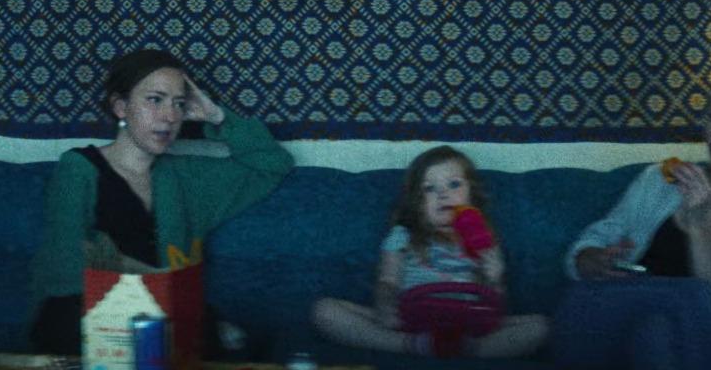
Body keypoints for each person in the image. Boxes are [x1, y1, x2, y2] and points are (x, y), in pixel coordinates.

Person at [27, 48, 293, 354]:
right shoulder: (78, 168)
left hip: (167, 322)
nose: (170, 117)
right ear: (121, 106)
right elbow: (63, 271)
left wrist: (216, 117)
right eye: (155, 100)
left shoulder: (186, 178)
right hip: (89, 315)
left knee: (220, 334)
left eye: (179, 104)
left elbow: (272, 163)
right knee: (64, 317)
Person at [555, 48, 711, 370]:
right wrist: (590, 260)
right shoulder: (660, 180)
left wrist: (697, 229)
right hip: (616, 325)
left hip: (690, 346)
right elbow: (590, 244)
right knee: (581, 303)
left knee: (661, 327)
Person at [311, 146, 550, 359]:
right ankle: (409, 345)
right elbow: (387, 281)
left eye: (454, 184)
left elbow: (495, 304)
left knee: (540, 326)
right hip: (412, 319)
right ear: (417, 202)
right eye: (429, 188)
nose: (443, 194)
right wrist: (385, 307)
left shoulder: (485, 241)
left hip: (469, 322)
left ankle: (470, 349)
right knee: (325, 311)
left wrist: (495, 278)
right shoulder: (402, 235)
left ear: (472, 193)